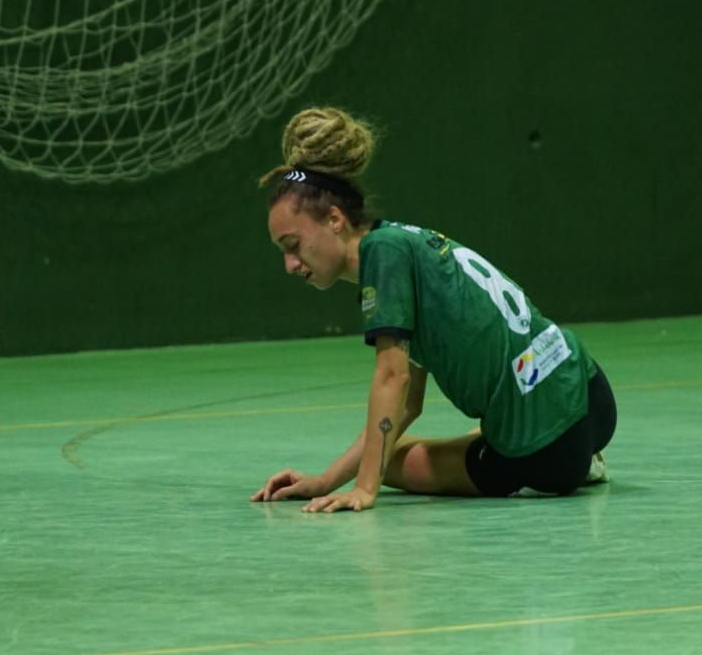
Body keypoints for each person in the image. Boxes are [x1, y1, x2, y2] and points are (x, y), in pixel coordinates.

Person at [249, 107, 616, 512]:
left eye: (293, 246)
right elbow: (409, 404)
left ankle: (560, 463)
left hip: (544, 449)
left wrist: (364, 489)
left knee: (390, 463)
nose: (290, 265)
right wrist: (323, 481)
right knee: (383, 448)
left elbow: (393, 378)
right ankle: (581, 458)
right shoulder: (400, 242)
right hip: (588, 392)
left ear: (334, 219)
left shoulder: (382, 258)